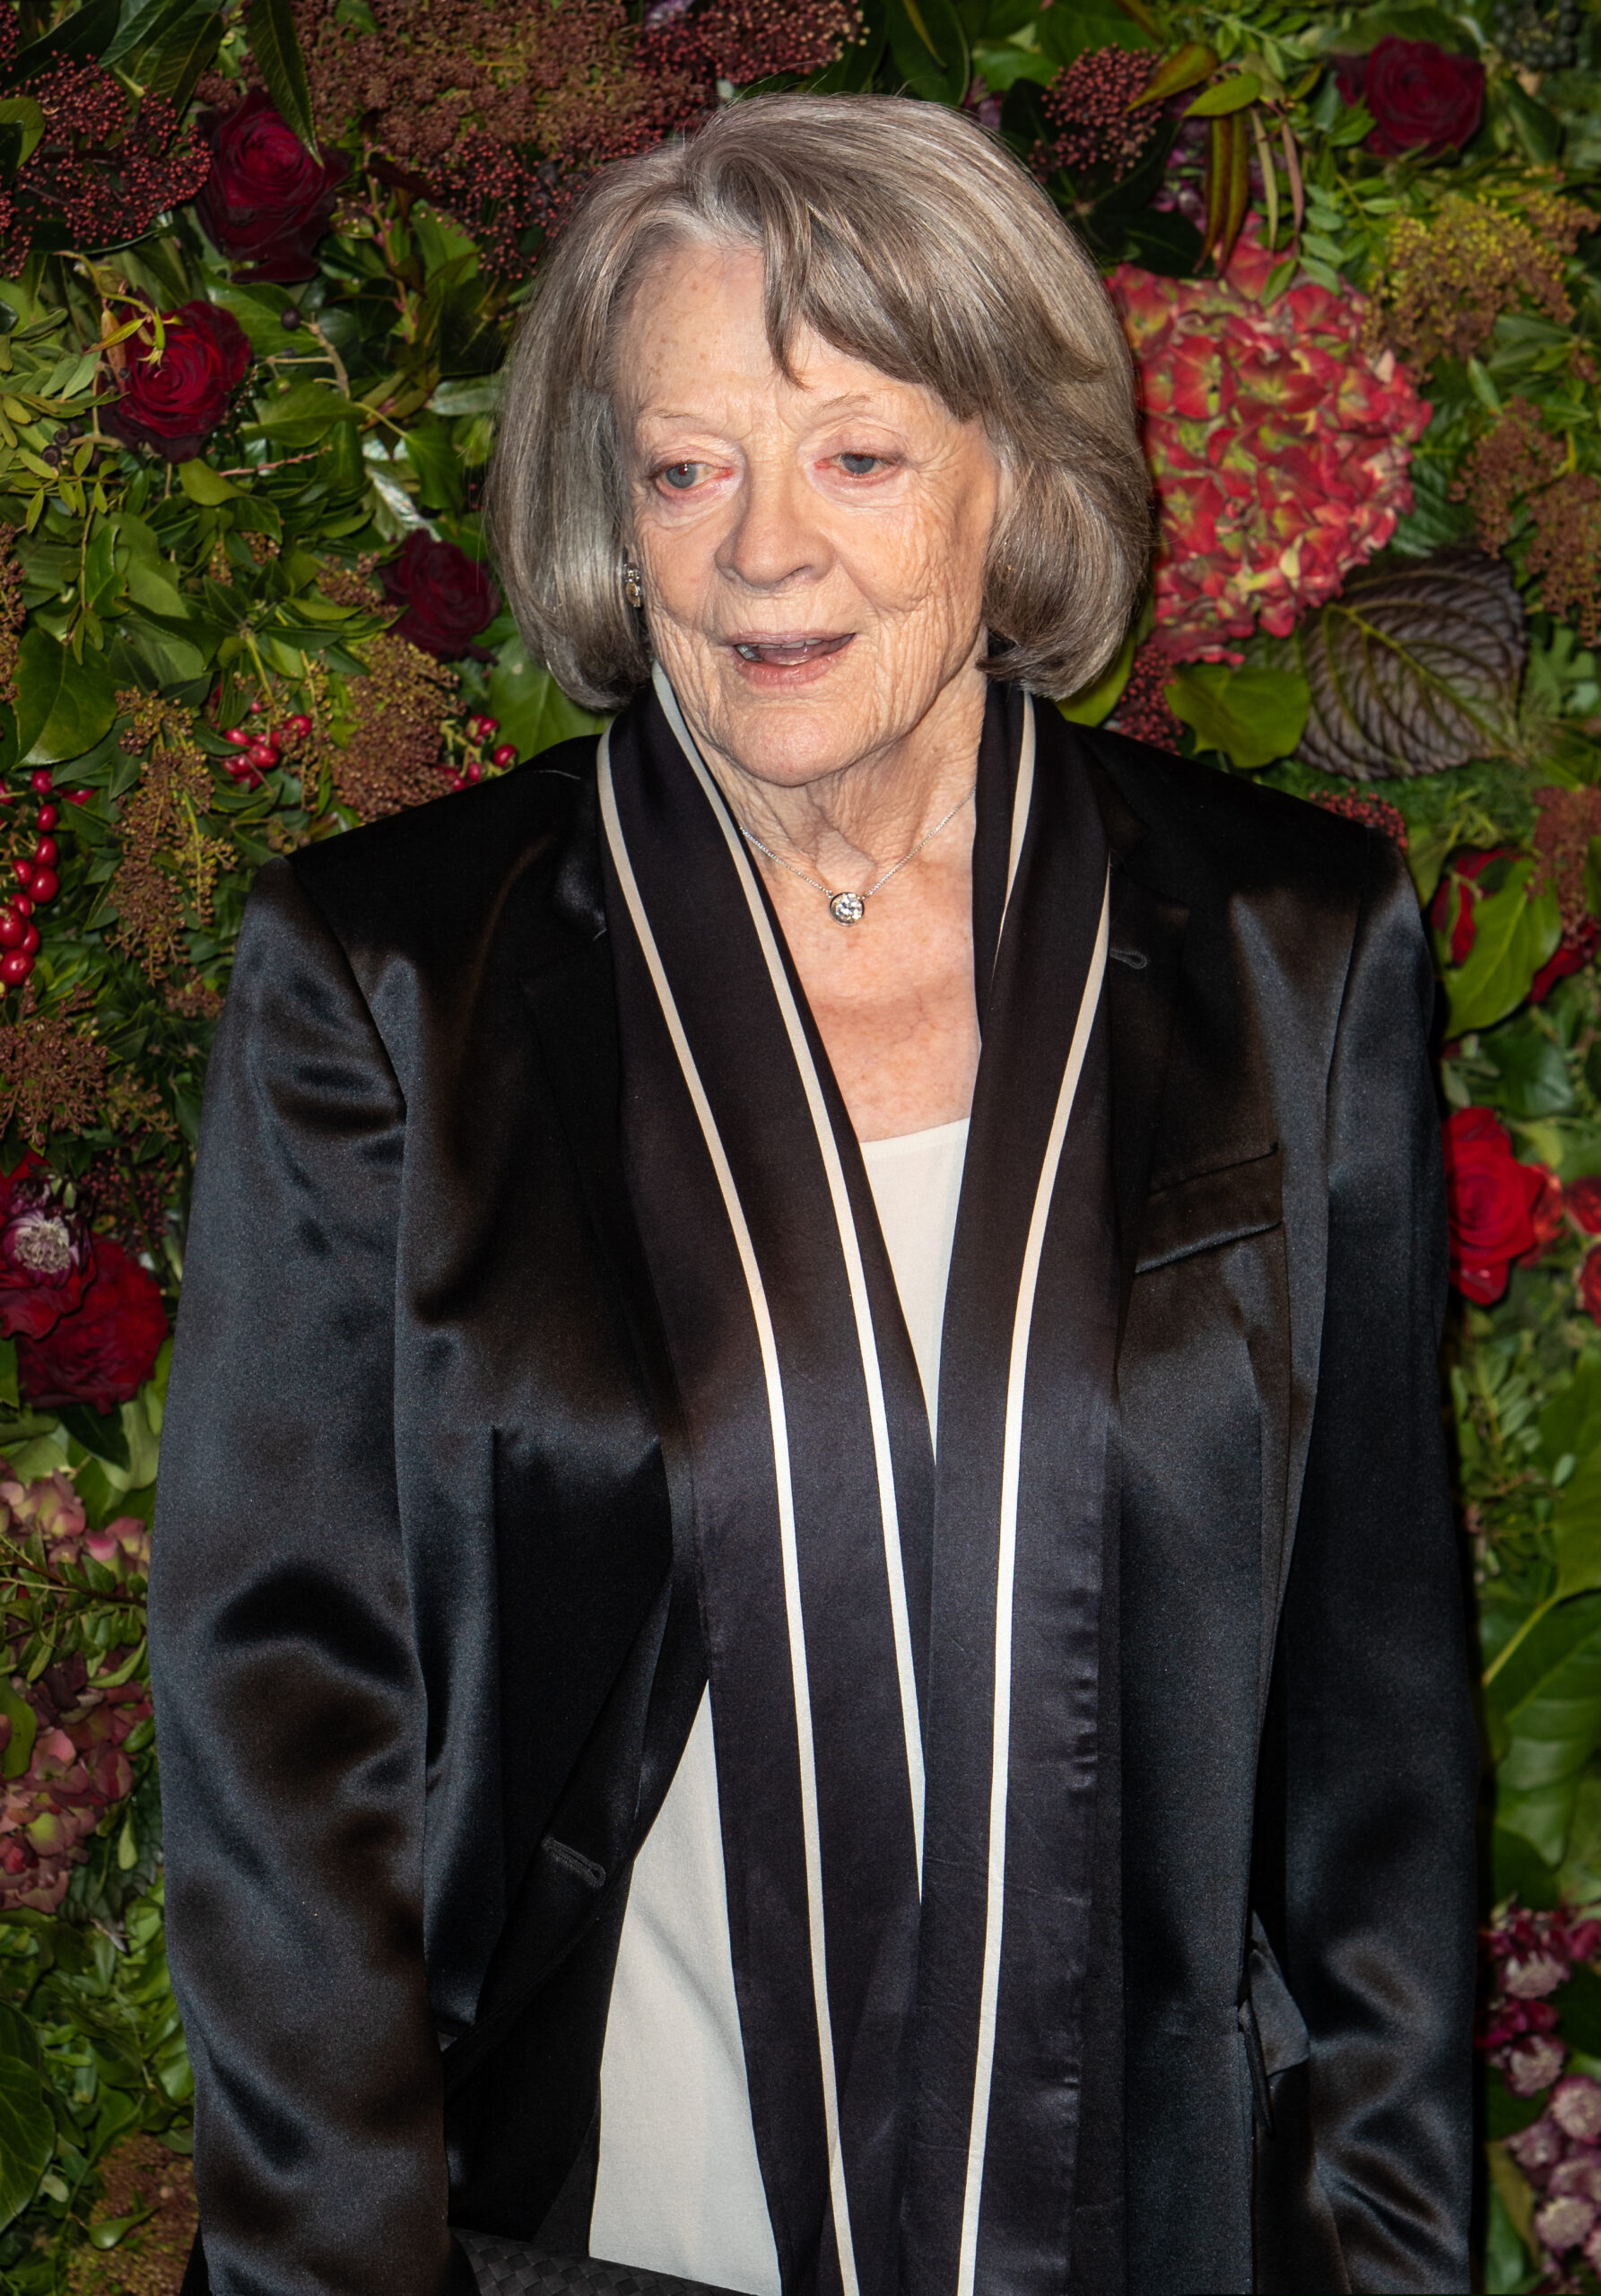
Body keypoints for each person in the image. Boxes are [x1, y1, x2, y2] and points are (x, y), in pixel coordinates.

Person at [150, 91, 1477, 2296]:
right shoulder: (389, 980)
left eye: (854, 456)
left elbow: (1377, 1736)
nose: (761, 552)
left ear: (1014, 479)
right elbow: (285, 1746)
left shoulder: (1288, 945)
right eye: (686, 469)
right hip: (578, 2239)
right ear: (617, 511)